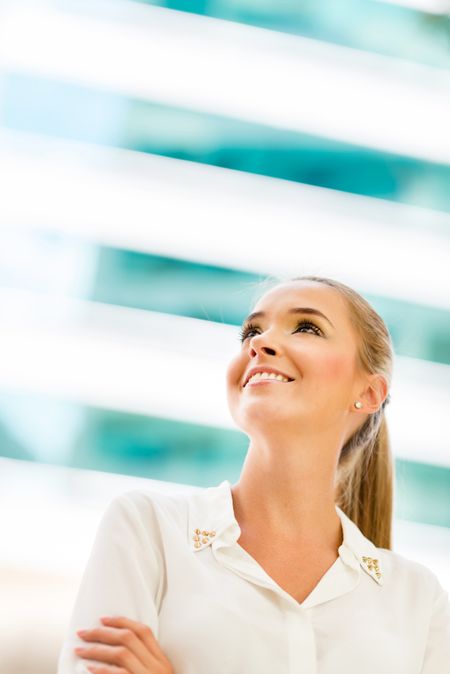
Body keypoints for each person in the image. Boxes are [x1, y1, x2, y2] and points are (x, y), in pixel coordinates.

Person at [57, 275, 450, 674]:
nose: (257, 344)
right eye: (251, 331)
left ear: (368, 393)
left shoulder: (420, 600)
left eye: (307, 327)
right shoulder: (147, 528)